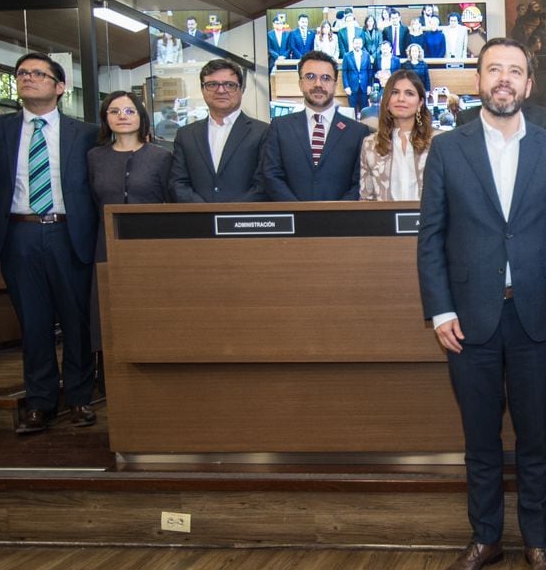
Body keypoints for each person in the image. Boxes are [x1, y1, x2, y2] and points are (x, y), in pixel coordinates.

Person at [418, 38, 546, 570]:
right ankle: (484, 539)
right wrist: (439, 309)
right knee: (480, 439)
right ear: (479, 80)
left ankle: (538, 543)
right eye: (495, 70)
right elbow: (432, 237)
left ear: (529, 85)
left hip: (538, 318)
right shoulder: (447, 148)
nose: (505, 80)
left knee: (535, 438)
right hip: (470, 320)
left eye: (515, 71)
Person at [0, 53, 99, 435]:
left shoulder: (84, 133)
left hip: (69, 233)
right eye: (22, 73)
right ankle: (40, 402)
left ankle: (81, 397)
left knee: (76, 320)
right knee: (33, 323)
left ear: (60, 86)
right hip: (19, 232)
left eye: (38, 74)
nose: (28, 79)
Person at [86, 92, 172, 355]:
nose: (122, 116)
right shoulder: (94, 157)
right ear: (105, 118)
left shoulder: (161, 157)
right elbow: (92, 200)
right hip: (107, 245)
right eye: (114, 111)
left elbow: (171, 202)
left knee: (152, 309)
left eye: (129, 111)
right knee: (110, 308)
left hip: (153, 247)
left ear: (141, 117)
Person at [262, 51, 370, 201]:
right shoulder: (280, 127)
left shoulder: (357, 132)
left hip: (341, 220)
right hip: (294, 219)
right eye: (310, 77)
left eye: (326, 78)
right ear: (300, 83)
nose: (318, 84)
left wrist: (334, 214)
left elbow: (360, 183)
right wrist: (299, 212)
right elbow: (271, 176)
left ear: (335, 84)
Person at [171, 60, 268, 202]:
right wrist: (205, 212)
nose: (221, 90)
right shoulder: (186, 135)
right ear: (203, 89)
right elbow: (177, 183)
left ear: (241, 89)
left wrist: (230, 214)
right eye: (212, 84)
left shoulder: (263, 132)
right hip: (198, 219)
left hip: (244, 220)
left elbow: (264, 184)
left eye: (230, 85)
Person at [359, 71, 432, 201]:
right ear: (386, 101)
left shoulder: (437, 142)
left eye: (409, 93)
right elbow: (366, 199)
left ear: (420, 102)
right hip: (385, 220)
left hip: (427, 220)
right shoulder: (370, 144)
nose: (401, 99)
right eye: (395, 92)